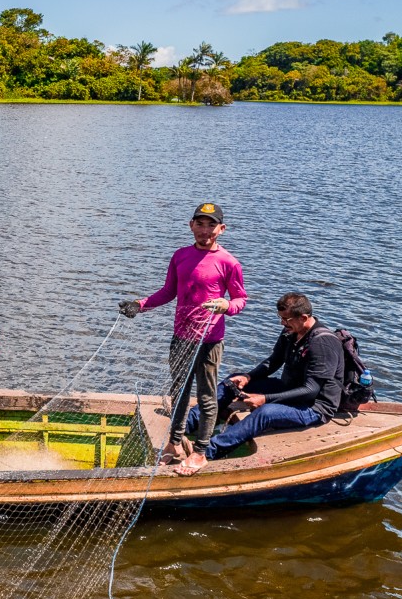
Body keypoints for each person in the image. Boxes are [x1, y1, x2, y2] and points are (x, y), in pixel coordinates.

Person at [119, 202, 247, 467]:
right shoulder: (180, 256)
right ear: (191, 226)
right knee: (178, 392)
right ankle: (174, 444)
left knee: (206, 396)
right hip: (181, 338)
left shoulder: (229, 262)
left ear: (221, 229)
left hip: (209, 341)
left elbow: (240, 299)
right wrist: (139, 305)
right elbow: (168, 292)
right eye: (199, 224)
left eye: (211, 225)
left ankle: (201, 451)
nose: (204, 230)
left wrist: (226, 306)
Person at [176, 293, 343, 475]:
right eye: (280, 318)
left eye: (286, 319)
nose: (282, 324)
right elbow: (273, 361)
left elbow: (311, 390)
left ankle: (205, 453)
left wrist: (265, 399)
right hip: (288, 390)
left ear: (303, 317)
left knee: (265, 413)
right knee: (233, 382)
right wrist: (248, 377)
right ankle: (183, 428)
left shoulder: (323, 344)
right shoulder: (291, 331)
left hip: (313, 406)